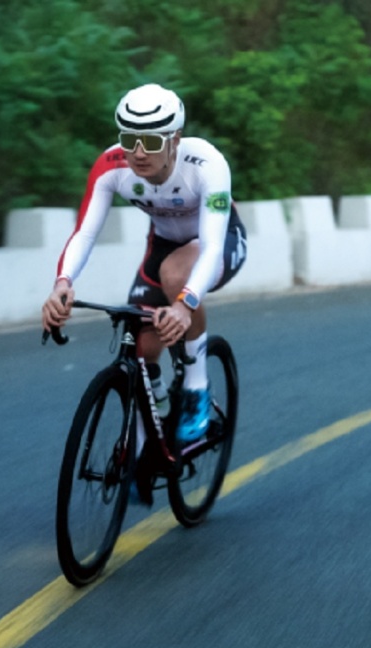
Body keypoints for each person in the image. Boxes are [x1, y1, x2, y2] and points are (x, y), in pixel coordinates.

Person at [41, 83, 247, 443]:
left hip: (219, 240)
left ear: (175, 139)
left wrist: (185, 305)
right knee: (141, 345)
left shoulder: (207, 164)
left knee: (175, 276)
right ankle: (154, 421)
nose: (137, 152)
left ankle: (197, 386)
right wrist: (63, 283)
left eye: (151, 141)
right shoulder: (111, 166)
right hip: (164, 244)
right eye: (129, 139)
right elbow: (85, 234)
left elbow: (211, 247)